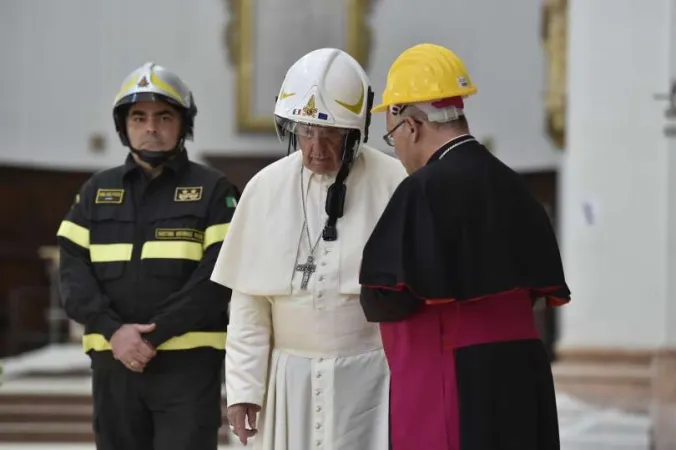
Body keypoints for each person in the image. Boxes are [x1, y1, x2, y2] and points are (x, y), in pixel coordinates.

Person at [359, 43, 572, 450]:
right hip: (523, 374)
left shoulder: (420, 191)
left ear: (410, 125)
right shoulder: (518, 188)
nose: (397, 150)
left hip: (455, 377)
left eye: (391, 136)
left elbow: (384, 298)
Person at [210, 48, 406, 450]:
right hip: (287, 382)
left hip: (372, 380)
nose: (316, 147)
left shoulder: (394, 182)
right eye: (305, 131)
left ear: (354, 132)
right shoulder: (265, 188)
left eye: (330, 133)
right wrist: (244, 389)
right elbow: (249, 305)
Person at [56, 62, 238, 450]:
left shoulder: (213, 189)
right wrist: (114, 332)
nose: (151, 127)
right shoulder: (95, 191)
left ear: (183, 124)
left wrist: (153, 337)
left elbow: (218, 278)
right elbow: (73, 275)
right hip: (114, 363)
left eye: (163, 116)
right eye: (138, 117)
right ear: (124, 126)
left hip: (187, 368)